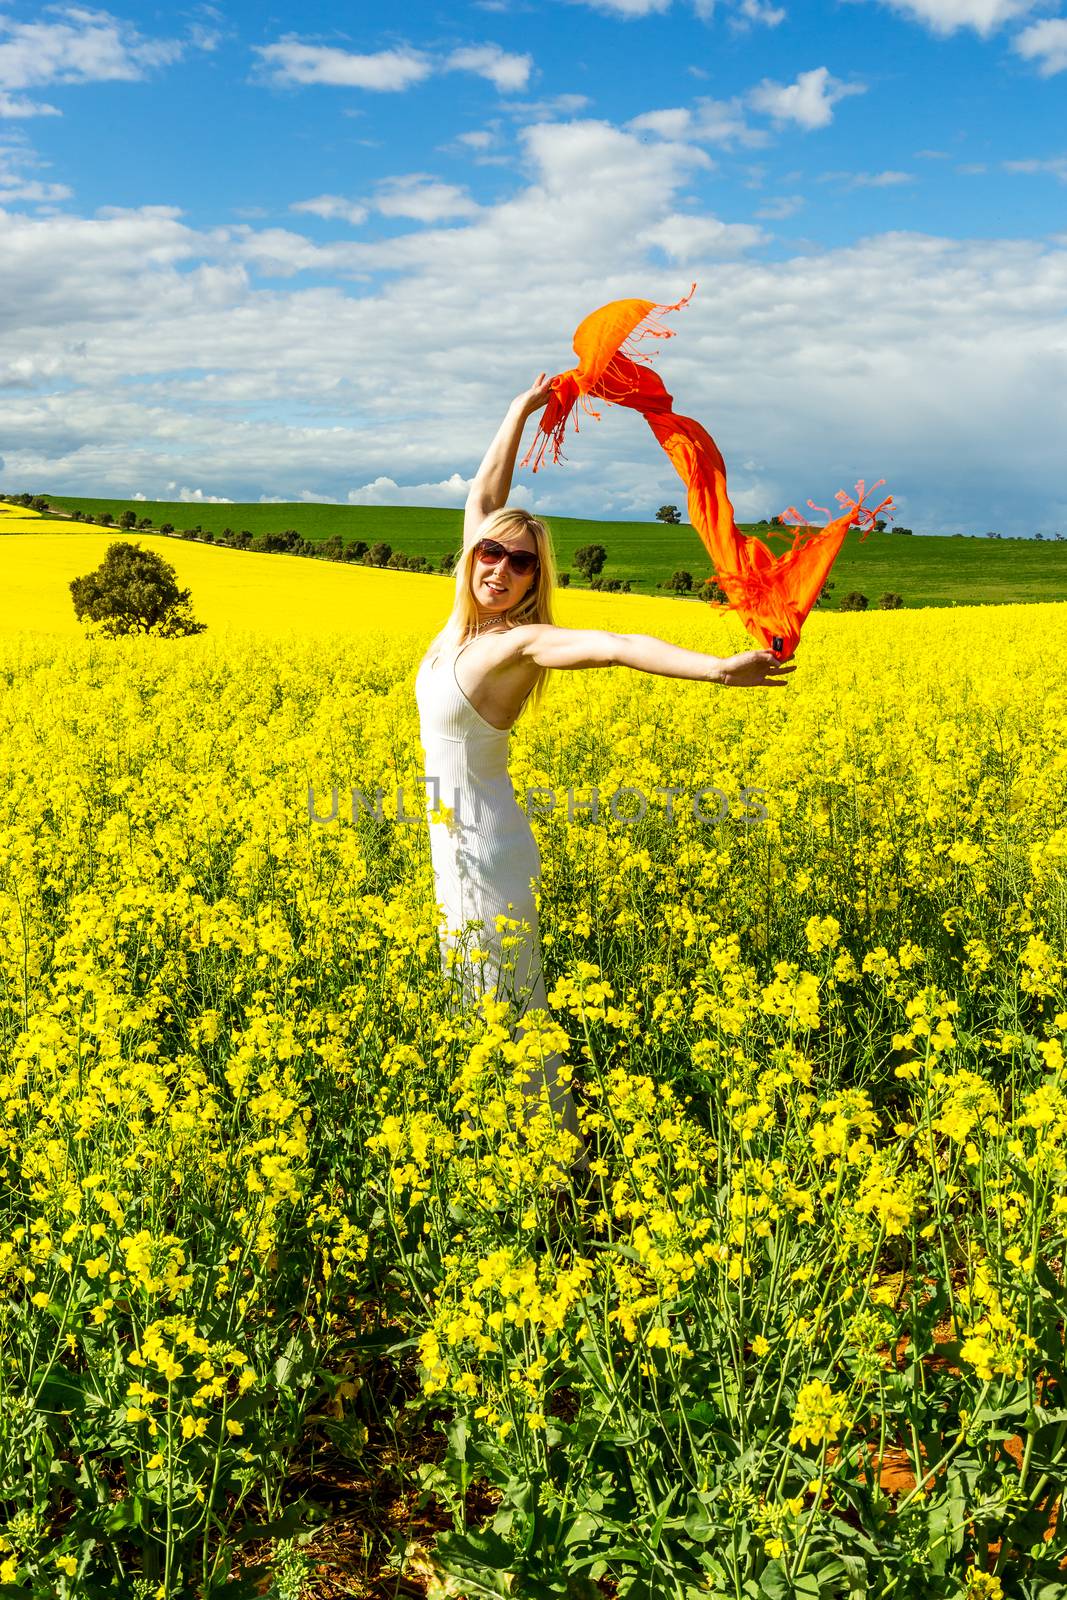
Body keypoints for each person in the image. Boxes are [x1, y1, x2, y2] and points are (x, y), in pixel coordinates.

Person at [414, 374, 797, 1172]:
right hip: (453, 843)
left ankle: (553, 1165)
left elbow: (617, 645)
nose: (500, 566)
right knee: (477, 999)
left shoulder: (516, 644)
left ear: (532, 581)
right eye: (491, 552)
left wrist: (718, 672)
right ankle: (513, 1148)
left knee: (503, 1004)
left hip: (484, 851)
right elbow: (485, 491)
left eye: (519, 563)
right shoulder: (458, 627)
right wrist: (522, 409)